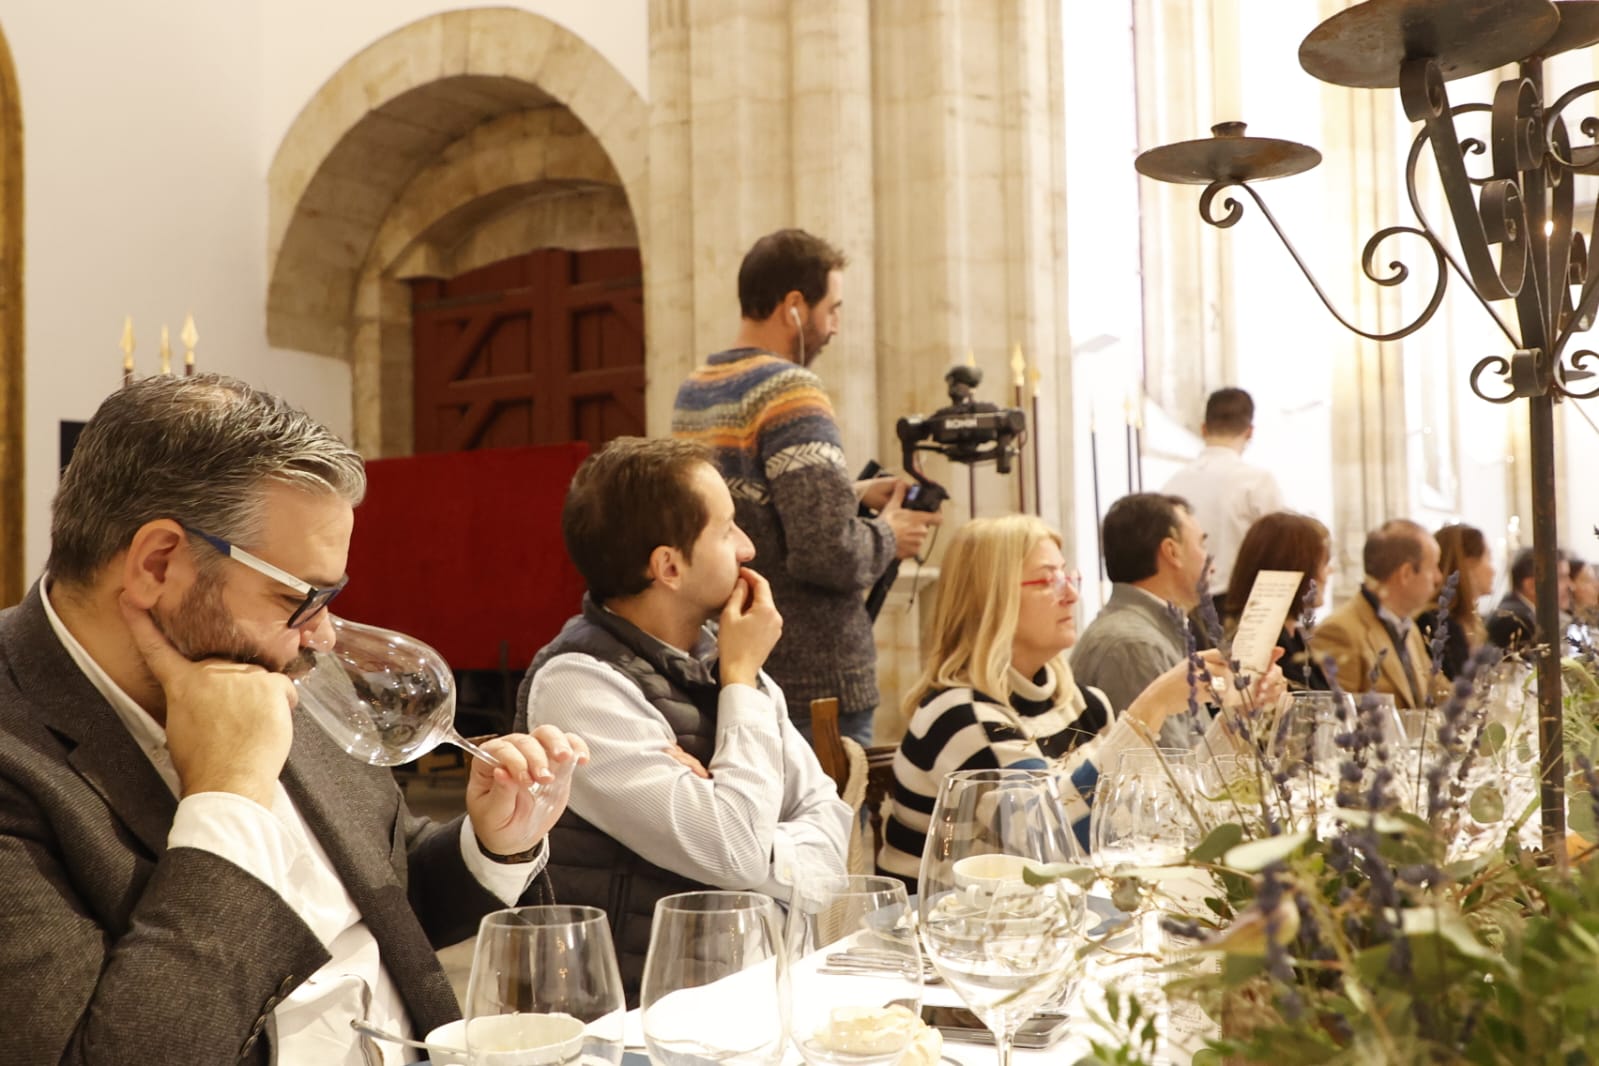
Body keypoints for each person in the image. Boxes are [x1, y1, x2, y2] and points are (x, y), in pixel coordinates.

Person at [0, 375, 584, 1066]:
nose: (324, 636)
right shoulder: (21, 746)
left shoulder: (261, 659)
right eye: (299, 596)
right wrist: (229, 791)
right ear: (159, 563)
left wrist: (489, 846)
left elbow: (379, 899)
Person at [516, 437, 850, 1004]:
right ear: (668, 565)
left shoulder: (723, 656)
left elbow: (833, 833)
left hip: (748, 995)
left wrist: (742, 832)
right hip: (631, 1016)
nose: (746, 548)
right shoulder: (578, 685)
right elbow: (736, 847)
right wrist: (741, 681)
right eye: (726, 530)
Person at [875, 515, 1282, 884]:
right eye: (1048, 580)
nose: (1071, 595)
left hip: (1039, 927)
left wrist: (1236, 720)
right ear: (991, 597)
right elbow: (1053, 845)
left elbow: (1164, 819)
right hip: (947, 938)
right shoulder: (960, 716)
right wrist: (1150, 707)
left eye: (1070, 577)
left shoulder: (1085, 704)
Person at [672, 228, 935, 745]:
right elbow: (825, 550)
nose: (835, 326)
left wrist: (853, 493)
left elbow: (746, 506)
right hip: (813, 684)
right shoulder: (790, 388)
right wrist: (890, 533)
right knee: (822, 826)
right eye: (831, 309)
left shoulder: (695, 387)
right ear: (794, 306)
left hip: (738, 662)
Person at [1070, 492, 1212, 746]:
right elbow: (1171, 775)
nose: (1210, 561)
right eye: (1201, 545)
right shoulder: (1134, 644)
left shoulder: (1155, 630)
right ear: (1172, 552)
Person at [1161, 388, 1285, 606]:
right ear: (1249, 432)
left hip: (1183, 604)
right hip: (1239, 605)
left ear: (1203, 428)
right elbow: (1280, 553)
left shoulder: (1172, 484)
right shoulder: (1258, 482)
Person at [1309, 519, 1444, 708]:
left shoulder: (1408, 626)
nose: (1439, 577)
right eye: (1433, 567)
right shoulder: (1339, 631)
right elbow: (1336, 720)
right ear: (1406, 573)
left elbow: (1441, 692)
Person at [1222, 512, 1331, 690]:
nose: (1327, 573)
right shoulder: (1258, 644)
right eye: (1323, 563)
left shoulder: (1293, 637)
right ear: (1297, 569)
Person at [1416, 524, 1493, 680]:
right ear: (1468, 564)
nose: (1494, 569)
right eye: (1488, 558)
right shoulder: (1437, 622)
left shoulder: (1467, 621)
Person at [1486, 547, 1571, 652]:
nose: (1570, 586)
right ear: (1532, 585)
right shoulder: (1515, 621)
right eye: (1561, 578)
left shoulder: (1524, 612)